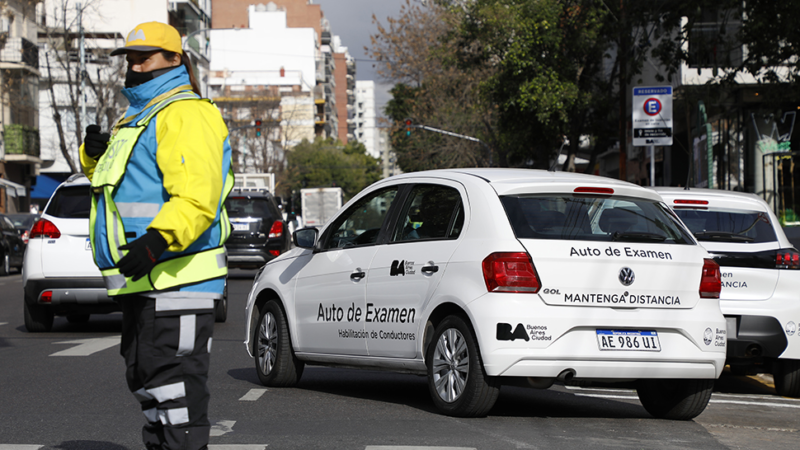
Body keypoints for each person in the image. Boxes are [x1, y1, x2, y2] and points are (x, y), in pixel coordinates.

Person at [80, 21, 233, 450]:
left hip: (177, 278)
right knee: (149, 381)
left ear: (174, 60)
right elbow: (123, 187)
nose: (134, 65)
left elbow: (197, 195)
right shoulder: (141, 114)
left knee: (176, 388)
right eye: (130, 58)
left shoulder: (184, 112)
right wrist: (93, 157)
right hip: (147, 280)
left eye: (144, 57)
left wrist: (158, 240)